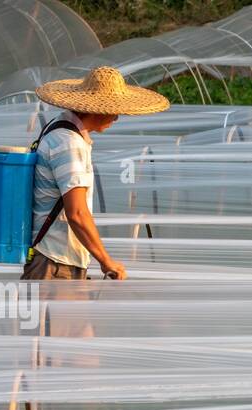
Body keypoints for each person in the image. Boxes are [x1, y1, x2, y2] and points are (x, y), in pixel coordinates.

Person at [22, 67, 169, 284]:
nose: (117, 117)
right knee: (54, 318)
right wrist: (106, 260)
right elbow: (77, 213)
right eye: (113, 109)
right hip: (55, 262)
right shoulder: (68, 144)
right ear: (94, 109)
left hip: (55, 257)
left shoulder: (58, 129)